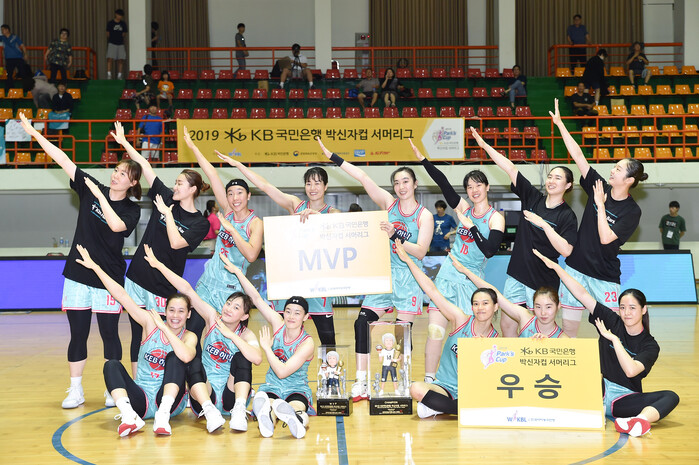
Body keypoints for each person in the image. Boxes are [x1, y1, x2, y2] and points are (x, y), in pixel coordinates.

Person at [18, 114, 141, 410]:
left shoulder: (131, 210)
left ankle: (114, 388)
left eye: (123, 174)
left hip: (109, 279)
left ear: (133, 182)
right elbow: (62, 158)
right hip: (77, 274)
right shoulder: (90, 187)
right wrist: (34, 133)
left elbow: (116, 226)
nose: (115, 176)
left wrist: (100, 195)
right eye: (115, 170)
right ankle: (75, 390)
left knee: (110, 334)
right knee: (78, 334)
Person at [317, 137, 434, 402]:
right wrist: (334, 157)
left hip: (409, 278)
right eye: (397, 182)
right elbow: (362, 176)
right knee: (361, 323)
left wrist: (395, 235)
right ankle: (361, 383)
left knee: (402, 334)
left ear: (415, 184)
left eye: (406, 181)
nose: (401, 186)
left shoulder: (424, 215)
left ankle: (402, 382)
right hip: (384, 275)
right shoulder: (388, 203)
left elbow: (421, 251)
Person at [534, 249, 679, 437]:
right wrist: (557, 268)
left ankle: (638, 421)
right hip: (598, 388)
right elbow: (582, 294)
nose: (626, 313)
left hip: (624, 399)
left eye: (632, 308)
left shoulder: (650, 345)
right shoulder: (611, 320)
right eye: (622, 308)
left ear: (644, 310)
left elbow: (631, 371)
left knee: (670, 396)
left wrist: (614, 340)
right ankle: (595, 410)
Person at [112, 122, 210, 375]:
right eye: (175, 182)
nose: (175, 187)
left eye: (180, 184)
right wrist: (124, 142)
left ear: (193, 189)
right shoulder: (165, 197)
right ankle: (139, 383)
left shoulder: (199, 223)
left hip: (163, 285)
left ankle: (166, 380)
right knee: (137, 335)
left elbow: (177, 243)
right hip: (137, 277)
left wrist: (167, 214)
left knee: (164, 334)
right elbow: (145, 166)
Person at [216, 151, 339, 346]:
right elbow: (265, 186)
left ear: (325, 186)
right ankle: (281, 364)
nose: (313, 188)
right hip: (292, 277)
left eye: (317, 183)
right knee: (282, 334)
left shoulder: (333, 212)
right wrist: (238, 165)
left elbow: (341, 227)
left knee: (328, 338)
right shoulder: (295, 205)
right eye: (309, 183)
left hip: (318, 280)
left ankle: (329, 365)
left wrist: (319, 218)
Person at [75, 245, 196, 437]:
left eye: (181, 311)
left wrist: (164, 328)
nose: (175, 315)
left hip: (170, 401)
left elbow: (186, 356)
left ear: (188, 314)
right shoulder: (150, 322)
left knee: (175, 358)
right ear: (165, 311)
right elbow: (122, 295)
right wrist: (95, 267)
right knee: (111, 365)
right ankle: (129, 416)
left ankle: (162, 416)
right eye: (171, 310)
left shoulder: (189, 336)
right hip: (142, 398)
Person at [550, 99, 646, 336]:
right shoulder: (598, 184)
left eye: (618, 169)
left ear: (629, 180)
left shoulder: (632, 211)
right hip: (576, 269)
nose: (612, 170)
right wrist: (560, 124)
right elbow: (578, 156)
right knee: (569, 329)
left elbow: (605, 238)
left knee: (610, 333)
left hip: (604, 276)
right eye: (614, 166)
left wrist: (600, 206)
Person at [410, 139, 503, 382]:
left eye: (478, 185)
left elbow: (489, 251)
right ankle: (430, 380)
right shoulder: (463, 209)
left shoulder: (495, 218)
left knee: (465, 337)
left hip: (471, 281)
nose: (474, 190)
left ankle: (467, 381)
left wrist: (472, 228)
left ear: (487, 187)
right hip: (448, 274)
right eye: (469, 187)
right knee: (435, 330)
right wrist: (423, 160)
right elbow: (443, 183)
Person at [470, 127, 577, 337]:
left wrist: (544, 225)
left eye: (558, 178)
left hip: (543, 279)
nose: (551, 181)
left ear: (568, 185)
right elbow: (510, 168)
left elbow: (566, 250)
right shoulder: (533, 198)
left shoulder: (567, 216)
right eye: (550, 177)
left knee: (538, 328)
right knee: (507, 324)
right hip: (517, 273)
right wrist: (484, 146)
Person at [144, 246, 262, 432]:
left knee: (243, 357)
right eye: (228, 303)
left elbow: (257, 358)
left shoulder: (246, 334)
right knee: (193, 360)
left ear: (245, 316)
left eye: (236, 307)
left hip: (231, 394)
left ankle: (239, 411)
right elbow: (187, 290)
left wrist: (231, 335)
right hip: (206, 392)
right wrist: (159, 265)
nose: (229, 309)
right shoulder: (213, 318)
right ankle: (209, 412)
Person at [394, 240, 498, 418]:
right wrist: (408, 260)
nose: (480, 308)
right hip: (445, 387)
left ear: (495, 307)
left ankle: (440, 407)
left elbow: (490, 376)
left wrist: (481, 352)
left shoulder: (495, 340)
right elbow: (432, 291)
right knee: (416, 389)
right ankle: (460, 408)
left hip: (472, 389)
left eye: (485, 303)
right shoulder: (460, 320)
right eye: (476, 304)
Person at [223, 257, 315, 439]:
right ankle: (268, 422)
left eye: (297, 313)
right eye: (288, 311)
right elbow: (256, 299)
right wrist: (238, 272)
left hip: (296, 387)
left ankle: (294, 418)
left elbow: (282, 371)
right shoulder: (278, 324)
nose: (291, 316)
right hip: (272, 385)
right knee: (269, 406)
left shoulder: (307, 343)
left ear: (305, 317)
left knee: (296, 408)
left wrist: (266, 348)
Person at [183, 130, 263, 339]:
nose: (235, 198)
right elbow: (212, 174)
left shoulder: (255, 224)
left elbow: (251, 255)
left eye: (239, 193)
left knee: (226, 342)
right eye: (230, 194)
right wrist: (193, 148)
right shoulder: (227, 211)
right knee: (191, 334)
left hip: (231, 292)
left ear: (248, 195)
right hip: (208, 284)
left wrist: (232, 230)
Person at [450, 255, 566, 338]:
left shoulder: (563, 339)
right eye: (538, 307)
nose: (543, 313)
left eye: (548, 307)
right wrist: (466, 271)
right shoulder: (525, 318)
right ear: (533, 306)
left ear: (558, 306)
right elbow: (495, 293)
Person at [0, 24, 30, 93]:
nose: (2, 31)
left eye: (3, 30)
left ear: (7, 30)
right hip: (9, 59)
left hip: (18, 58)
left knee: (23, 74)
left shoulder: (15, 37)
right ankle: (10, 89)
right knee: (9, 75)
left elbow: (22, 45)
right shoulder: (2, 38)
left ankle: (27, 88)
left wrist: (25, 54)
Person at [106, 9, 128, 79]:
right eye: (118, 15)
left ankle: (119, 74)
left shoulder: (123, 24)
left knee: (121, 59)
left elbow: (124, 33)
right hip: (112, 42)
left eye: (121, 16)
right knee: (109, 58)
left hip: (120, 43)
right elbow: (107, 33)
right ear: (116, 14)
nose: (119, 17)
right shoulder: (110, 23)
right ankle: (109, 74)